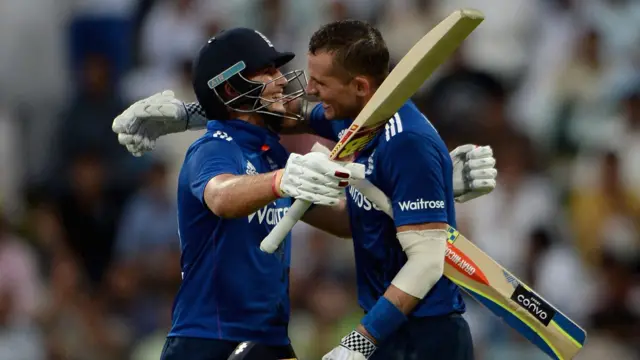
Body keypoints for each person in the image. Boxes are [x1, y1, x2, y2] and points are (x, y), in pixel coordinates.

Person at [113, 23, 497, 360]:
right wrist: (277, 178)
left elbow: (350, 222)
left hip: (271, 338)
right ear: (232, 87)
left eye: (278, 70)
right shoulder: (216, 147)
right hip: (209, 339)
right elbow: (220, 195)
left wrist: (428, 188)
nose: (287, 81)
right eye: (266, 72)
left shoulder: (275, 150)